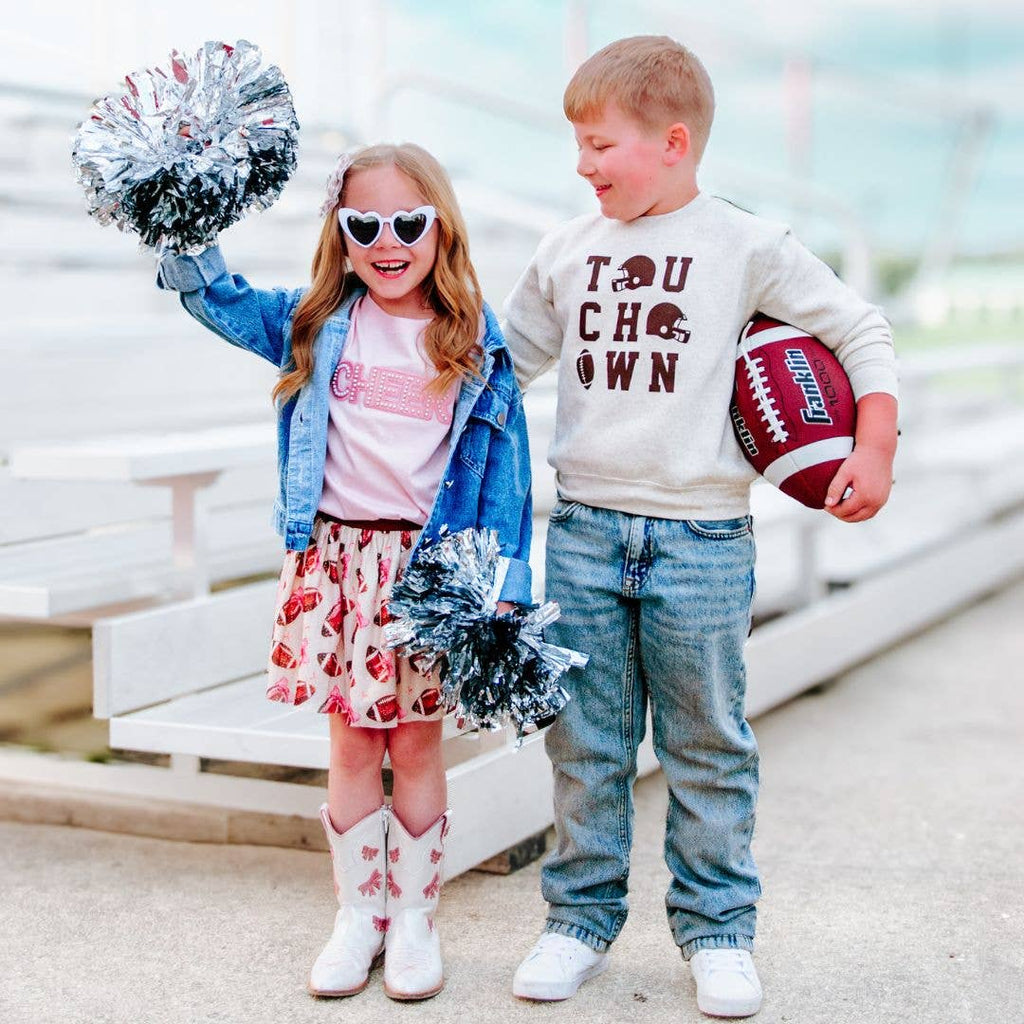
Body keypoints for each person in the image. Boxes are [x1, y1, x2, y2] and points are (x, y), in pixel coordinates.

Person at [503, 36, 898, 1019]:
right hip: (585, 534)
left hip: (703, 538)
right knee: (584, 741)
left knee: (707, 743)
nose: (583, 165)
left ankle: (718, 930)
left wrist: (873, 447)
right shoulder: (565, 251)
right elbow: (495, 370)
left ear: (672, 143)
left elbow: (860, 330)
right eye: (578, 148)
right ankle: (578, 920)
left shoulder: (746, 245)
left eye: (600, 145)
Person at [155, 143, 533, 1002]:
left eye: (408, 223)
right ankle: (357, 917)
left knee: (417, 740)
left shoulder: (473, 337)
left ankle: (413, 922)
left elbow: (510, 473)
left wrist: (504, 585)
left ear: (441, 228)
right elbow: (216, 299)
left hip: (428, 573)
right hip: (336, 561)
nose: (387, 241)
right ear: (342, 230)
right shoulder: (315, 321)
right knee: (353, 741)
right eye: (365, 224)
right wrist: (179, 228)